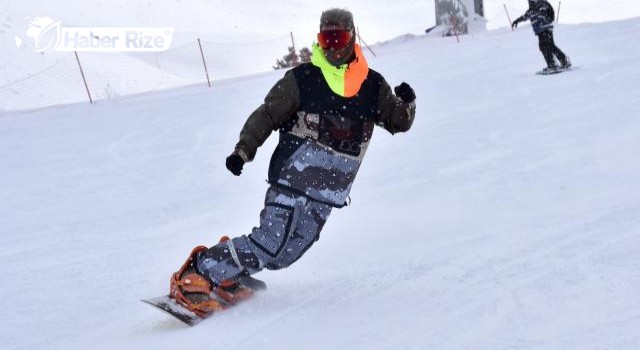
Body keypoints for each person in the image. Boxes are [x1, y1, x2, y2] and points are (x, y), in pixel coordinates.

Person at [168, 8, 417, 316]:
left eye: (337, 37)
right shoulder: (303, 78)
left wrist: (406, 103)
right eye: (325, 38)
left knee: (285, 254)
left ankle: (228, 268)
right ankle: (201, 272)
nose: (331, 45)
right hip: (293, 177)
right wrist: (243, 150)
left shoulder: (371, 86)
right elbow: (267, 114)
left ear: (352, 38)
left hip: (328, 192)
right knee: (272, 240)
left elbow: (397, 121)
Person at [512, 0, 571, 72]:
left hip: (545, 28)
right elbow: (524, 17)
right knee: (550, 46)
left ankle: (552, 65)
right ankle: (564, 61)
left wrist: (550, 19)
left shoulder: (541, 4)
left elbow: (550, 9)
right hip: (543, 30)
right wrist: (516, 21)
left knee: (544, 46)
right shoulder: (531, 10)